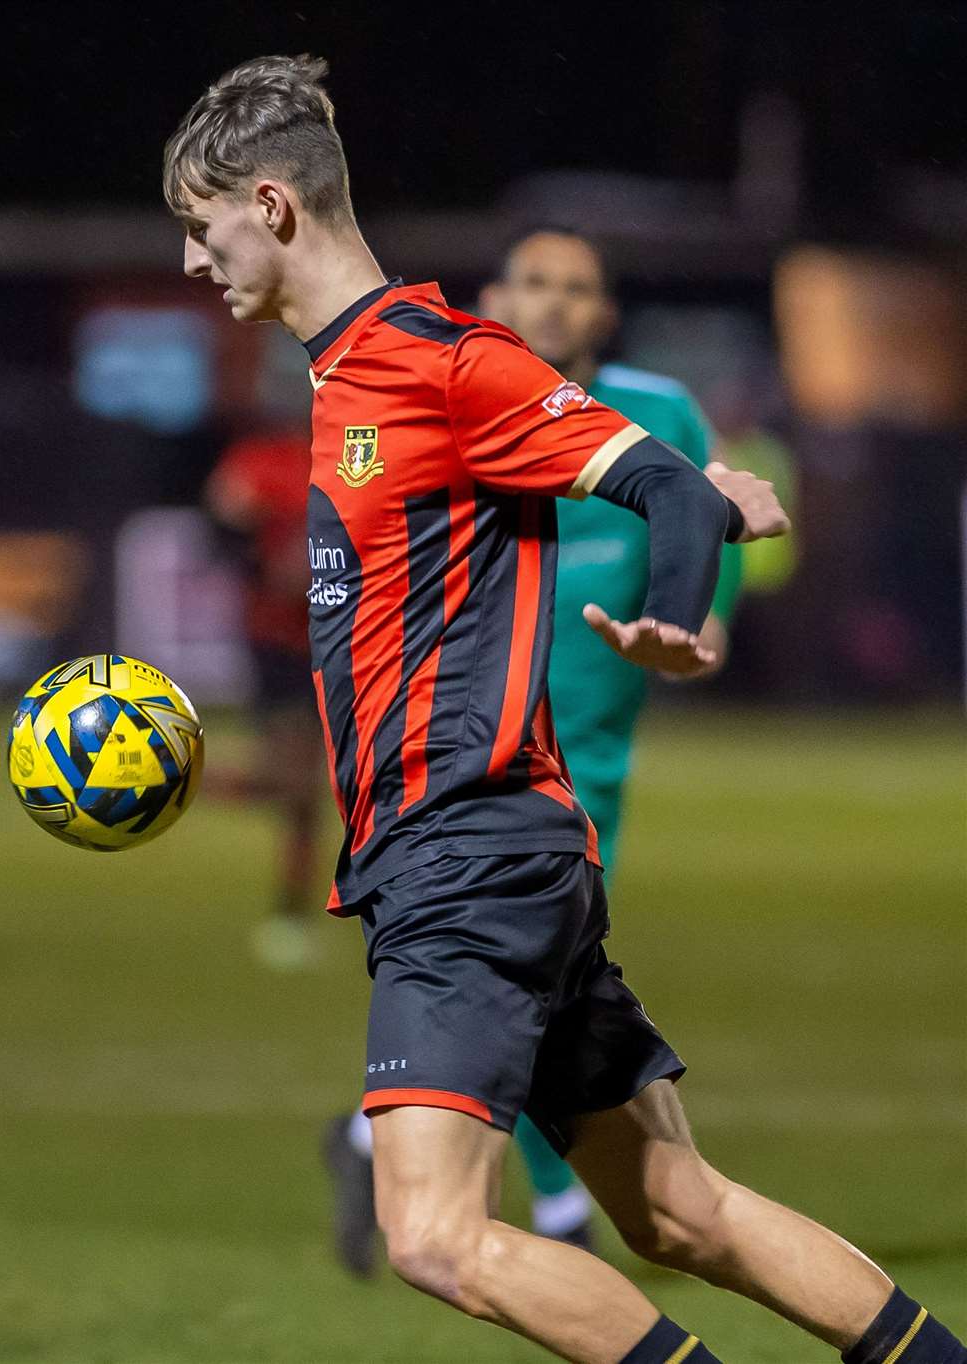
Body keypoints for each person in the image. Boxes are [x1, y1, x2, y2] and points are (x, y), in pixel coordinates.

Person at [163, 54, 966, 1364]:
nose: (198, 264)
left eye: (203, 232)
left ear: (273, 204)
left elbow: (667, 482)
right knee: (681, 1214)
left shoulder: (438, 361)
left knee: (433, 1236)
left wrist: (677, 603)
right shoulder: (345, 380)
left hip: (468, 861)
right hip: (489, 855)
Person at [322, 226, 744, 1267]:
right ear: (498, 295)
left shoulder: (660, 417)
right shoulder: (456, 399)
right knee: (533, 985)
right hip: (486, 776)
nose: (554, 302)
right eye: (534, 282)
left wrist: (692, 631)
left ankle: (370, 1134)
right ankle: (559, 1216)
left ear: (604, 312)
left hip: (592, 763)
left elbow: (708, 576)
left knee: (532, 995)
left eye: (577, 287)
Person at [203, 330, 326, 969]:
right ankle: (290, 914)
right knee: (299, 785)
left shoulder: (350, 451)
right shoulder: (256, 461)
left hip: (342, 641)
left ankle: (295, 912)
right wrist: (267, 569)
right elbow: (218, 538)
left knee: (314, 788)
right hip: (278, 642)